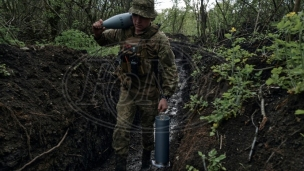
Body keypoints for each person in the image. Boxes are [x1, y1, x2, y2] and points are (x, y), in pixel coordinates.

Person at [92, 0, 178, 170]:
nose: (138, 21)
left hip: (149, 92)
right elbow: (103, 40)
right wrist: (97, 32)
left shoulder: (158, 39)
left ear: (151, 18)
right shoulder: (123, 32)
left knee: (147, 132)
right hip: (128, 90)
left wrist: (165, 96)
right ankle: (120, 166)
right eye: (135, 15)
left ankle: (145, 164)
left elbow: (169, 67)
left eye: (143, 17)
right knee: (121, 129)